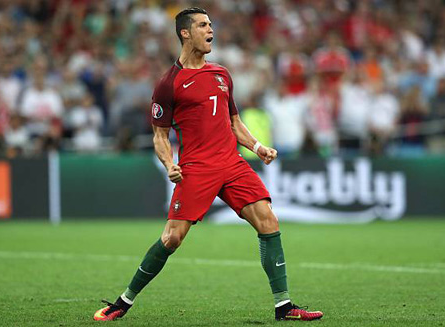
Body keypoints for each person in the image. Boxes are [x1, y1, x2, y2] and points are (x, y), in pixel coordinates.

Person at [93, 7, 323, 322]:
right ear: (185, 33)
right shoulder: (169, 83)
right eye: (202, 25)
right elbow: (159, 135)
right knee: (172, 238)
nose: (210, 29)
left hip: (231, 162)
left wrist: (257, 146)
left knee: (268, 220)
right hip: (197, 168)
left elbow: (234, 122)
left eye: (211, 24)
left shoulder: (222, 74)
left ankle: (284, 306)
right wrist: (169, 164)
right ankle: (123, 302)